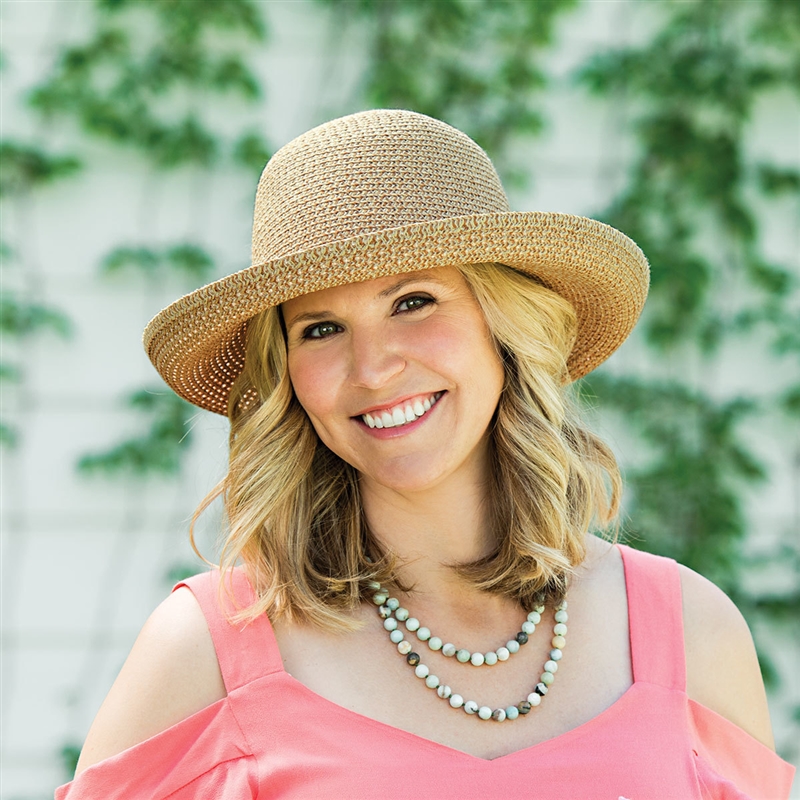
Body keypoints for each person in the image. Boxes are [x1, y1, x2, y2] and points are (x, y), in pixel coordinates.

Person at [56, 110, 794, 799]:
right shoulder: (208, 651)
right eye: (320, 329)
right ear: (288, 377)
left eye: (413, 302)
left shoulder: (690, 631)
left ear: (502, 324)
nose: (373, 368)